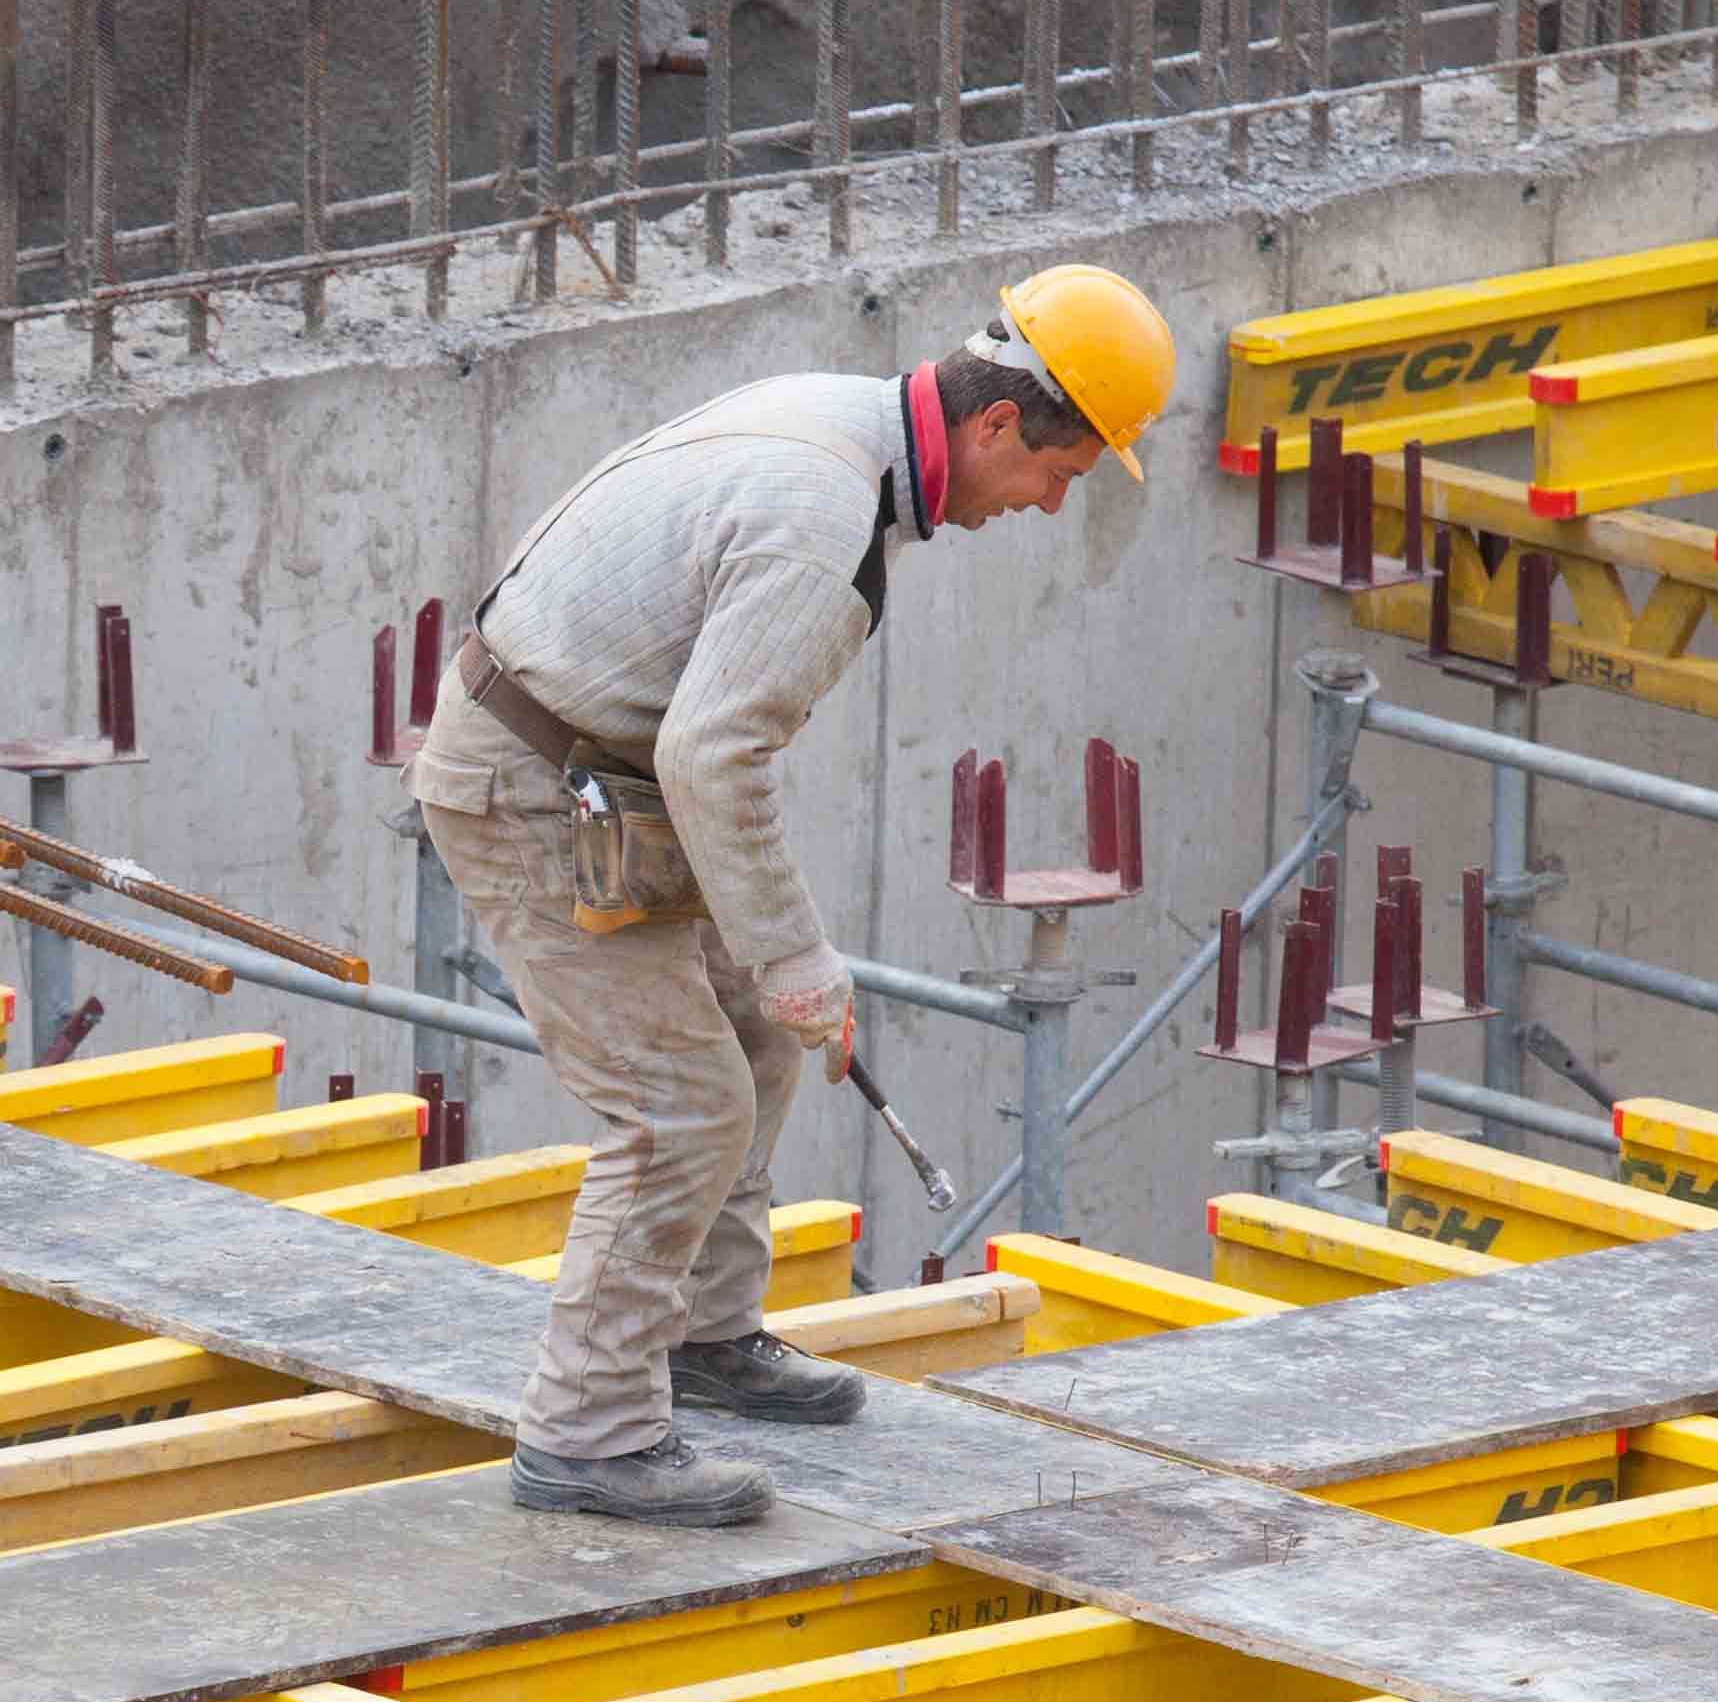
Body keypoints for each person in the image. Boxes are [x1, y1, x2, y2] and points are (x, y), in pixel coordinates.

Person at [416, 264, 1178, 1526]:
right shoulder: (825, 518)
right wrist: (801, 954)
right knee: (678, 1106)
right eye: (1062, 473)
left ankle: (704, 1340)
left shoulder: (847, 424)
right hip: (536, 784)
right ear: (996, 426)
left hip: (597, 762)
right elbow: (715, 754)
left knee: (758, 1034)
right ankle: (589, 1434)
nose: (1048, 505)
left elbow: (697, 749)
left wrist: (782, 970)